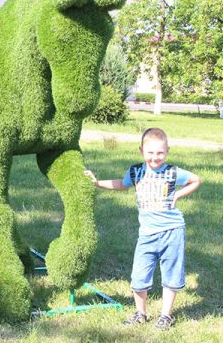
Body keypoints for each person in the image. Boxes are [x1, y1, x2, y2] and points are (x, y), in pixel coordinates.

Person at [84, 127, 200, 331]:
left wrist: (178, 195)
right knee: (139, 276)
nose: (155, 157)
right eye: (150, 153)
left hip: (172, 232)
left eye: (160, 153)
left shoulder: (173, 172)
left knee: (171, 275)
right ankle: (141, 313)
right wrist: (97, 183)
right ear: (141, 151)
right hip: (146, 235)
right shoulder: (135, 171)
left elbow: (195, 180)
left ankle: (166, 315)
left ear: (167, 151)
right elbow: (121, 184)